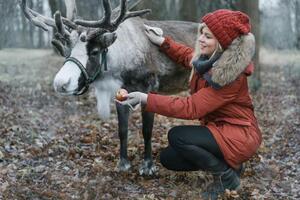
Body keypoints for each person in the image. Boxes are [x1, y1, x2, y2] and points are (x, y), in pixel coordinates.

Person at [117, 9, 262, 199]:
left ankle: (225, 177)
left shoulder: (229, 77)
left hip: (240, 135)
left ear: (222, 43)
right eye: (201, 32)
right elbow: (187, 56)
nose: (200, 38)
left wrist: (146, 99)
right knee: (168, 159)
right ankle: (230, 163)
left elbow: (191, 108)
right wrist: (163, 42)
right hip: (220, 131)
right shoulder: (210, 61)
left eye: (208, 36)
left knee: (178, 136)